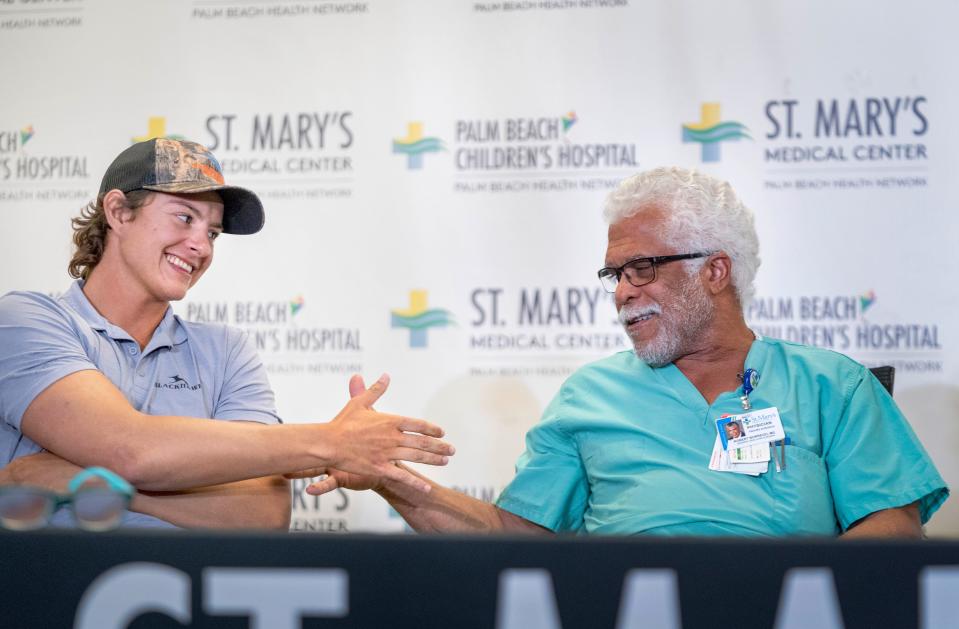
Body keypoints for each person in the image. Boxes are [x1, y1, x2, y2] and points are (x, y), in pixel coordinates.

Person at [314, 167, 948, 538]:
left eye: (641, 268)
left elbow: (888, 537)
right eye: (613, 275)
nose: (622, 293)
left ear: (715, 271)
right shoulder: (589, 397)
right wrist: (393, 483)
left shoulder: (831, 386)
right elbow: (516, 539)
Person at [0, 138, 454, 529]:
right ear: (118, 212)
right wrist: (332, 440)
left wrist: (105, 490)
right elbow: (128, 447)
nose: (200, 245)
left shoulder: (225, 349)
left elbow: (263, 512)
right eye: (184, 218)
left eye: (213, 233)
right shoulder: (26, 319)